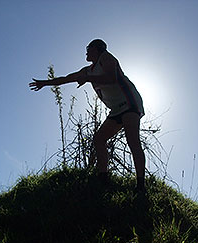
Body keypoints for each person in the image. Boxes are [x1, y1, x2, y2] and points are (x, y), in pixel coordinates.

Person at [29, 39, 146, 192]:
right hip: (116, 109)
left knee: (133, 141)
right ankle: (103, 179)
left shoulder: (106, 57)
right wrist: (45, 83)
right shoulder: (87, 70)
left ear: (97, 49)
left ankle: (141, 185)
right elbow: (66, 79)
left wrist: (89, 79)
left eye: (88, 48)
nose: (86, 51)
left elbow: (112, 78)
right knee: (99, 139)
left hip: (129, 102)